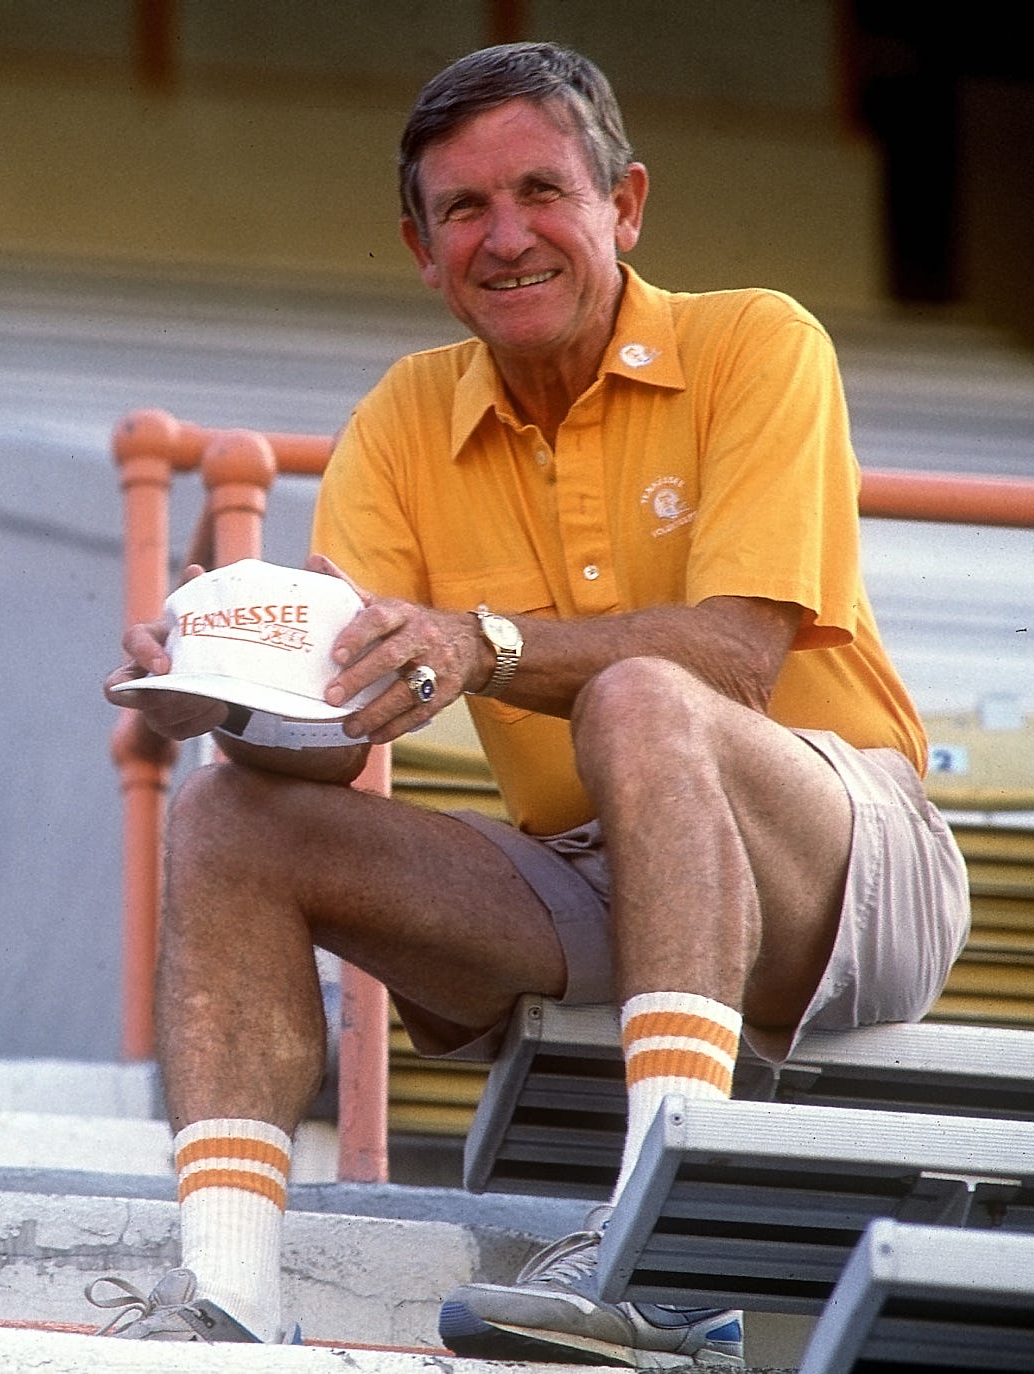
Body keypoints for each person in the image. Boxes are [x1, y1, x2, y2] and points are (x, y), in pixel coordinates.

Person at [95, 40, 970, 1367]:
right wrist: (219, 684)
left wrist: (484, 643)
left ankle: (659, 1259)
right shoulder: (401, 415)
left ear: (625, 205)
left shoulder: (759, 339)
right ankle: (222, 1292)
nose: (505, 237)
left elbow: (736, 660)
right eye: (464, 209)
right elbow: (335, 729)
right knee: (228, 817)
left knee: (644, 699)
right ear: (421, 249)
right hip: (601, 871)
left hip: (850, 861)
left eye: (542, 192)